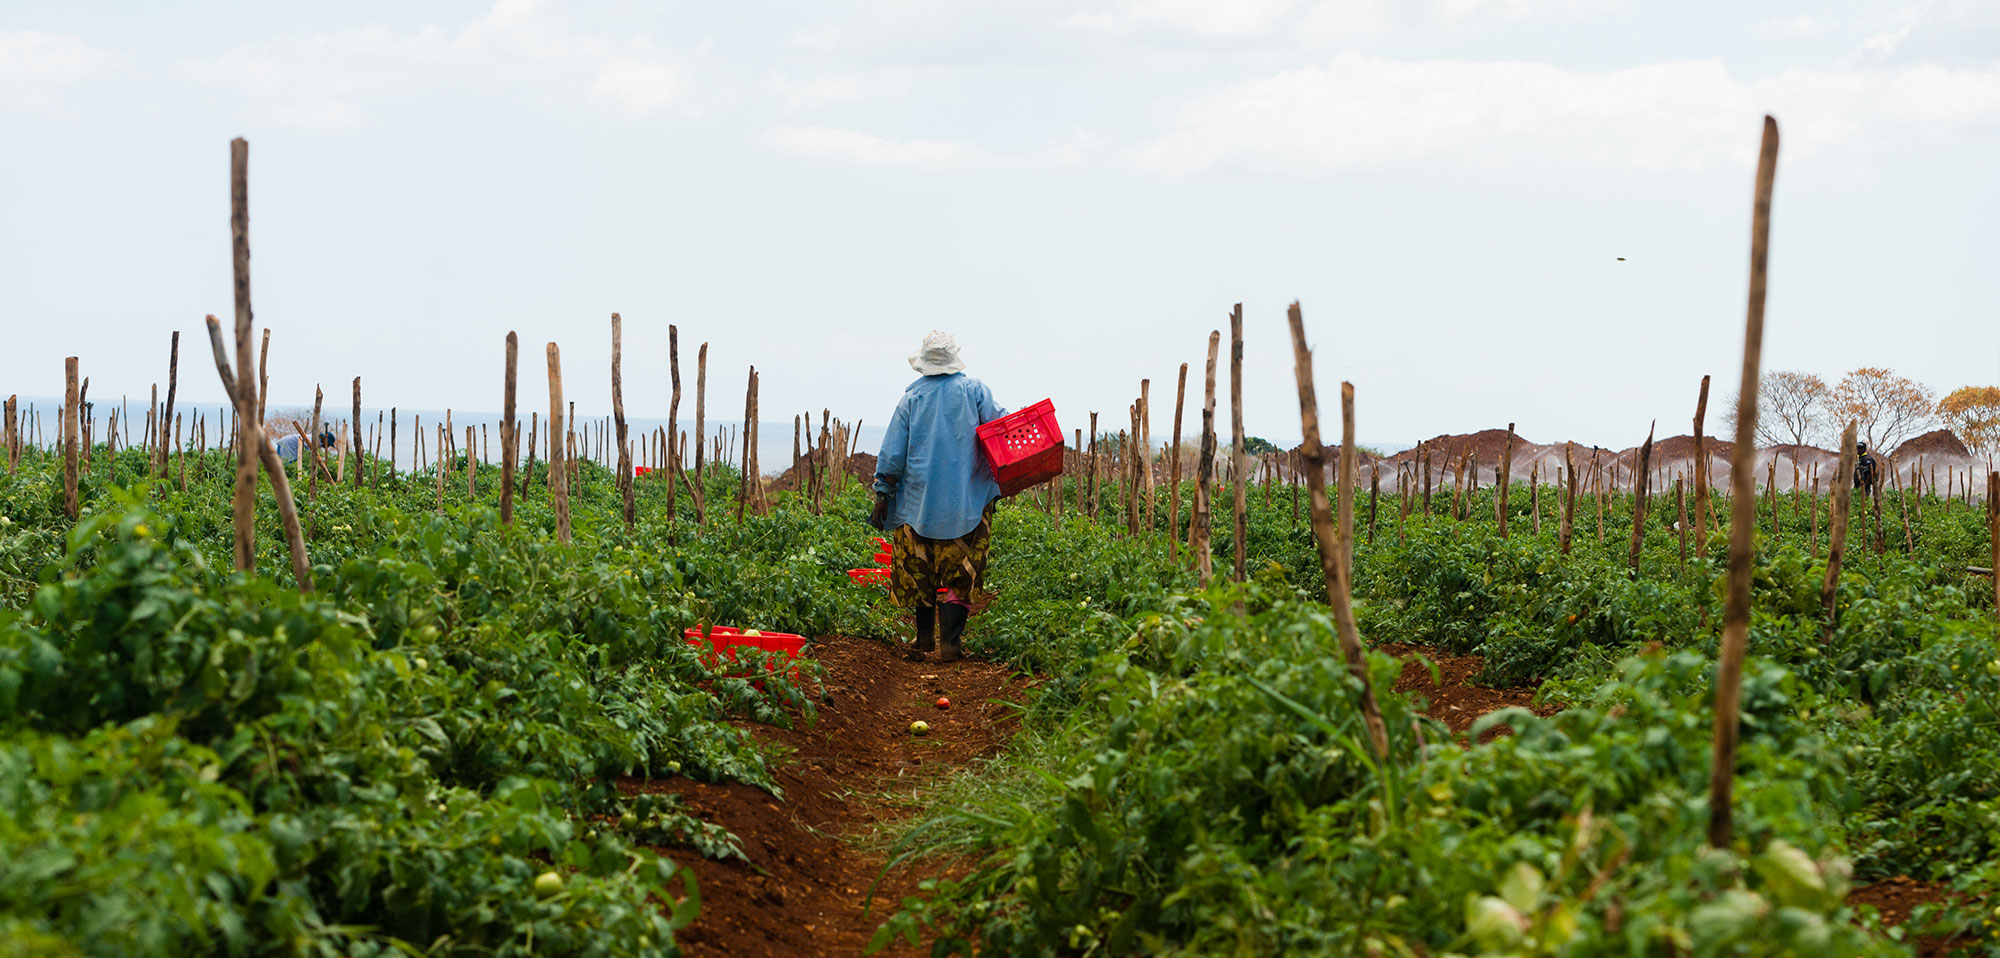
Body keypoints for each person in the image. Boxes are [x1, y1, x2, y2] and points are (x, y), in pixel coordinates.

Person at [868, 331, 1007, 663]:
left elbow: (891, 456)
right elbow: (1001, 429)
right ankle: (951, 645)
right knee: (964, 568)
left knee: (919, 569)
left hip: (918, 504)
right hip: (968, 501)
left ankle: (923, 640)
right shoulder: (975, 392)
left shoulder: (911, 400)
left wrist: (882, 495)